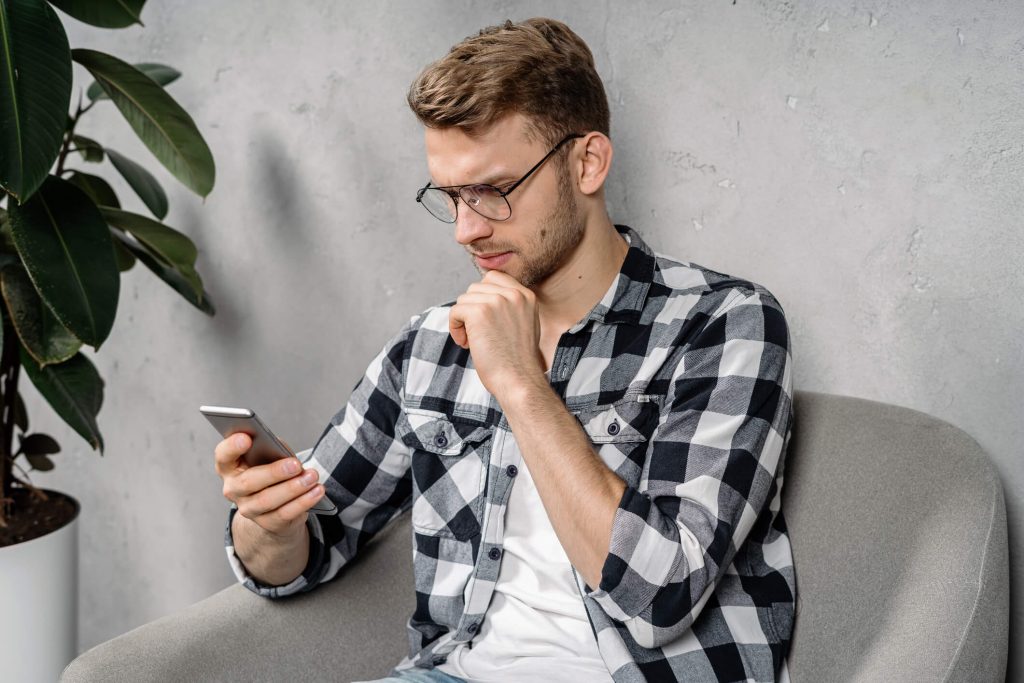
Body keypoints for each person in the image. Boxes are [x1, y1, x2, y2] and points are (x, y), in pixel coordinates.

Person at [215, 17, 795, 683]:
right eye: (450, 196)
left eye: (493, 191)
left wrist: (521, 382)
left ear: (588, 162)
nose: (467, 229)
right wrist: (269, 524)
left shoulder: (722, 323)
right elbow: (309, 547)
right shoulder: (432, 344)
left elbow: (662, 594)